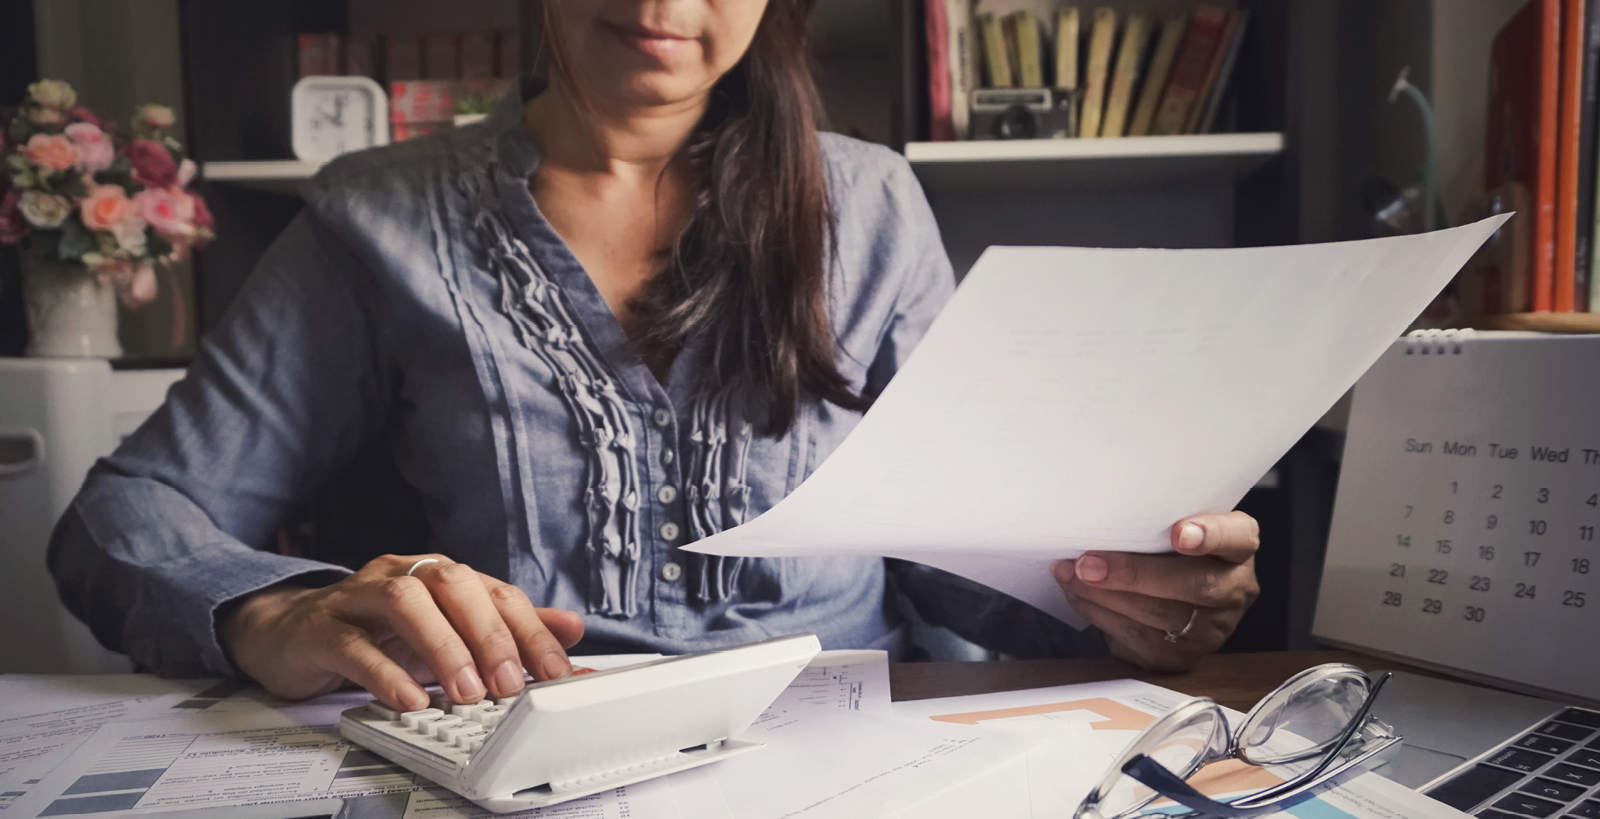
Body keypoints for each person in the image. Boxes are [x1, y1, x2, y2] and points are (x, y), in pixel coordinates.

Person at [49, 0, 1261, 713]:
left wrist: (1121, 597)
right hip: (521, 756)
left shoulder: (869, 202)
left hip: (848, 753)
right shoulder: (380, 216)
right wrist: (273, 612)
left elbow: (955, 565)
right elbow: (128, 514)